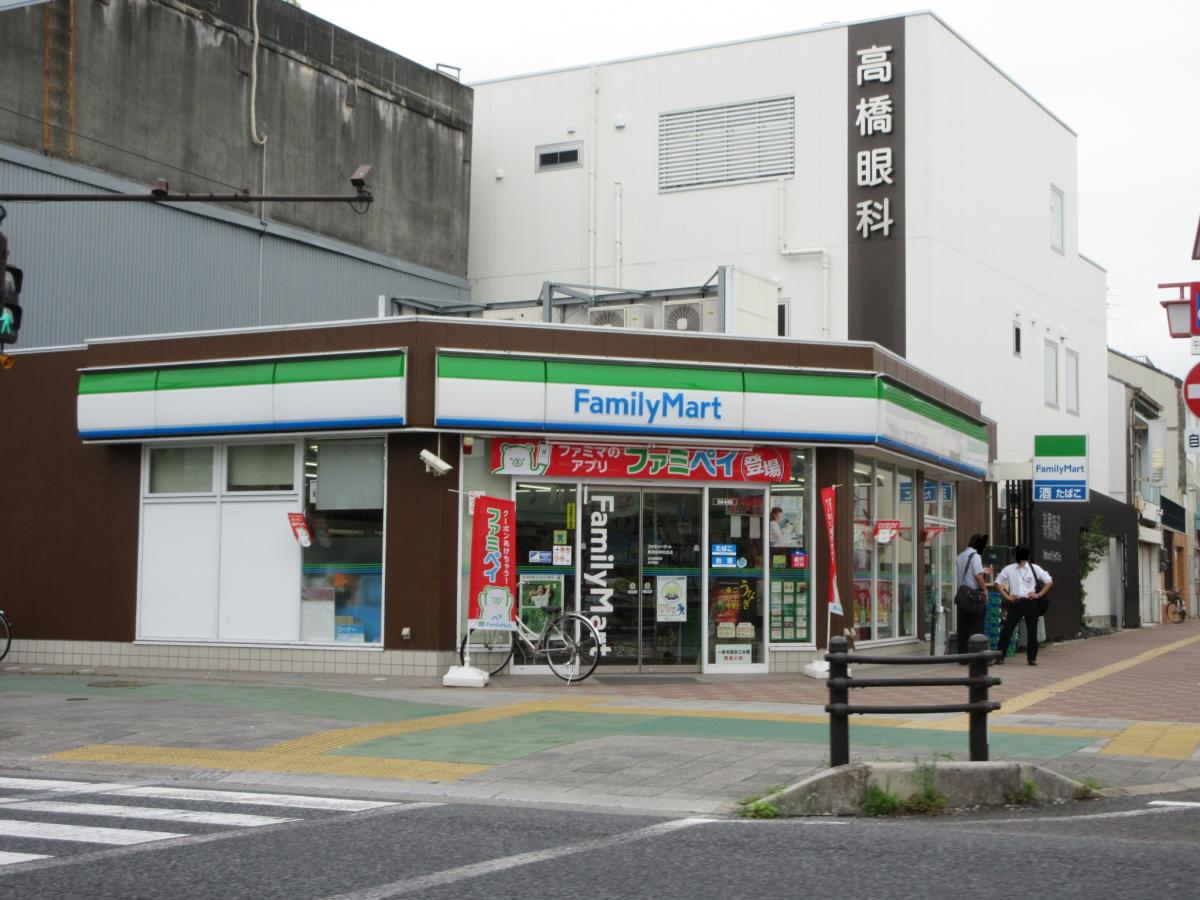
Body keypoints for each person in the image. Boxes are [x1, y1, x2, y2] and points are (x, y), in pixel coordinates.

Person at [994, 546, 1053, 666]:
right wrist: (1007, 596)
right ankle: (1000, 657)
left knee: (1032, 631)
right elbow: (997, 582)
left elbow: (1049, 581)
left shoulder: (1035, 568)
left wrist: (1038, 594)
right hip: (1015, 602)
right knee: (1007, 630)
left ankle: (1032, 658)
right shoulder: (1009, 569)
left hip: (1031, 602)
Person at [954, 533, 991, 656]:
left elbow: (967, 574)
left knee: (963, 628)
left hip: (962, 595)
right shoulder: (975, 556)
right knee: (977, 627)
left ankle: (962, 656)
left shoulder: (959, 556)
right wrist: (985, 590)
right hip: (974, 597)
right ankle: (977, 656)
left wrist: (982, 571)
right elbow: (977, 576)